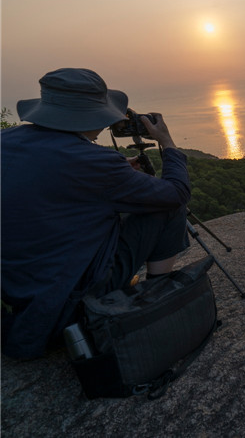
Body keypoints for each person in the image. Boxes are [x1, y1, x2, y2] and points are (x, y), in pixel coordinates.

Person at [1, 68, 191, 360]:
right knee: (169, 208)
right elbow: (176, 193)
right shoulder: (96, 162)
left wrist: (115, 175)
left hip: (17, 294)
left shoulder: (6, 141)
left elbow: (46, 185)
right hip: (66, 304)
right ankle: (153, 302)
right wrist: (168, 143)